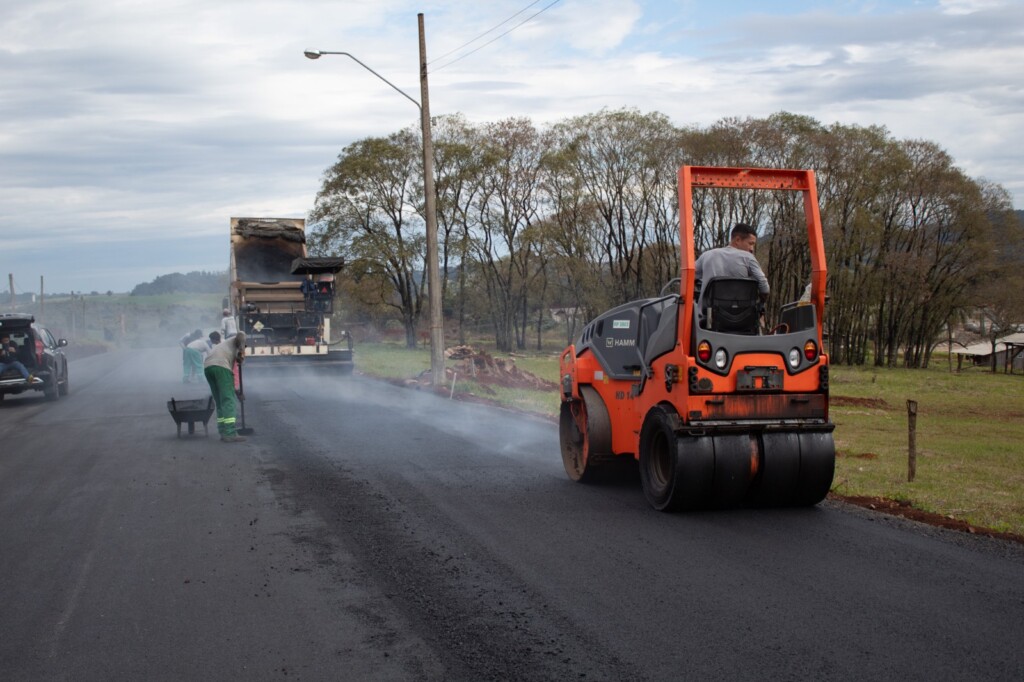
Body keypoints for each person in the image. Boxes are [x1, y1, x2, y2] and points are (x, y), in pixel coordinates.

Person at [694, 222, 770, 304]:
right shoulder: (748, 258)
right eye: (750, 244)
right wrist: (761, 304)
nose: (752, 249)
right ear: (737, 240)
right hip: (741, 314)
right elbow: (764, 288)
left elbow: (690, 277)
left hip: (708, 314)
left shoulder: (707, 255)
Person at [204, 331, 247, 443]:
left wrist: (238, 393)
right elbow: (242, 334)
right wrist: (242, 352)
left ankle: (223, 431)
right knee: (228, 401)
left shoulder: (225, 347)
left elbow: (229, 383)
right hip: (220, 366)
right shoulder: (236, 340)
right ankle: (230, 433)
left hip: (208, 367)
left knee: (220, 401)